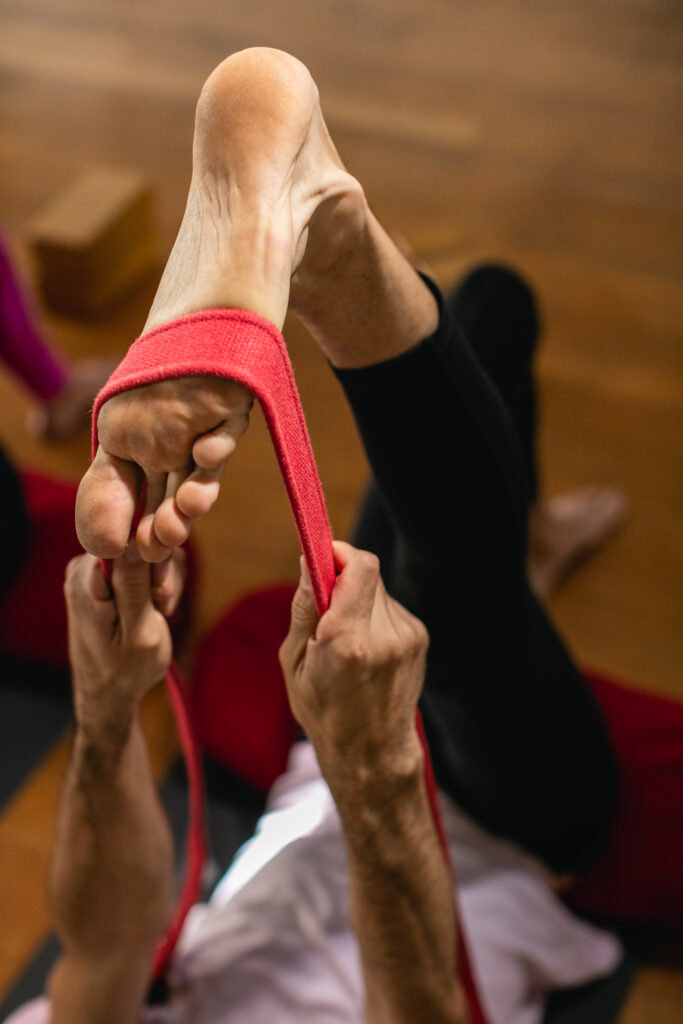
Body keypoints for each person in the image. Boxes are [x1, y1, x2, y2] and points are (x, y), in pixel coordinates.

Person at [6, 48, 631, 1024]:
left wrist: (103, 705)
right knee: (466, 585)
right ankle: (333, 238)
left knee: (486, 330)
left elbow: (101, 957)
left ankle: (334, 230)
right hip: (501, 829)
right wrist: (379, 771)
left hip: (319, 771)